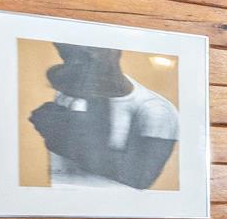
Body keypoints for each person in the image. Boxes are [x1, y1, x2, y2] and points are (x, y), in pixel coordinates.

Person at [27, 43, 178, 191]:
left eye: (91, 52)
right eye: (68, 55)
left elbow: (140, 178)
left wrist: (62, 139)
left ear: (115, 51)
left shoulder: (156, 109)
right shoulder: (68, 94)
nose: (78, 62)